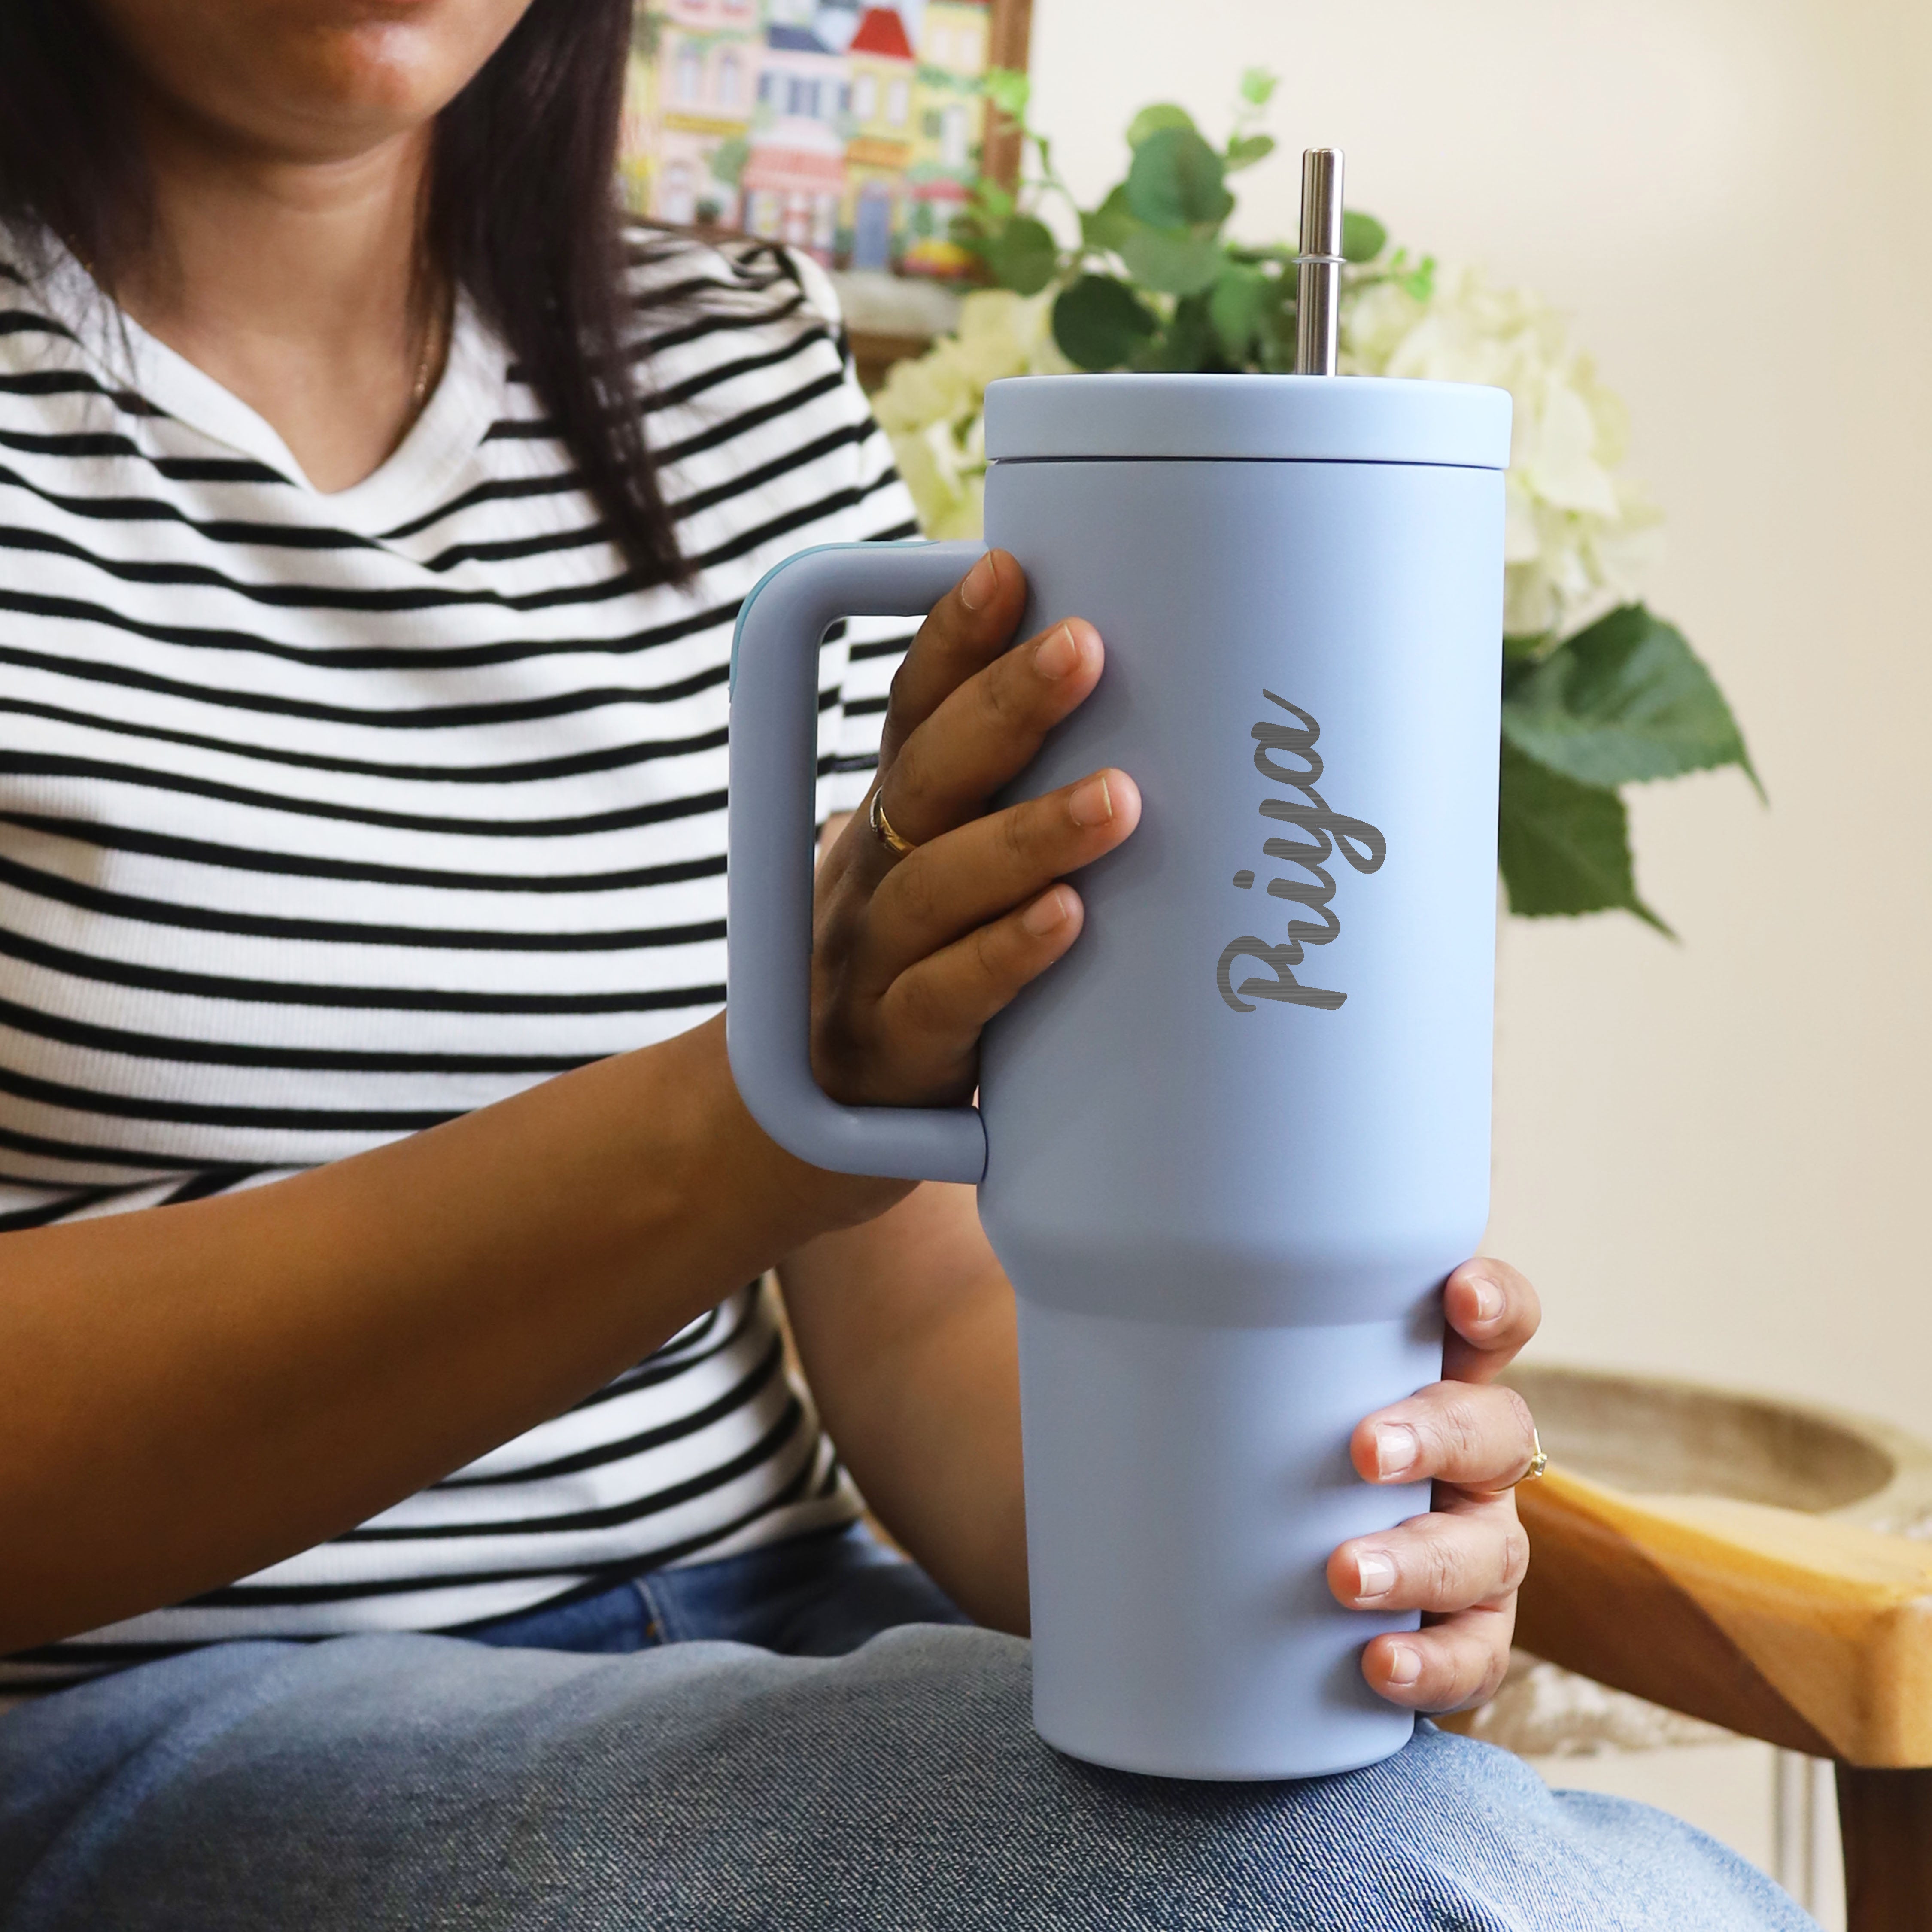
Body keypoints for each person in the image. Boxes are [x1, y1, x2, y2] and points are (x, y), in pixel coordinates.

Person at [0, 1, 1812, 1926]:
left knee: (1504, 1869)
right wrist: (754, 1121)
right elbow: (803, 1130)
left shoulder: (730, 369)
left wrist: (1300, 1539)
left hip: (772, 1642)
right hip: (159, 1717)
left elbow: (917, 1293)